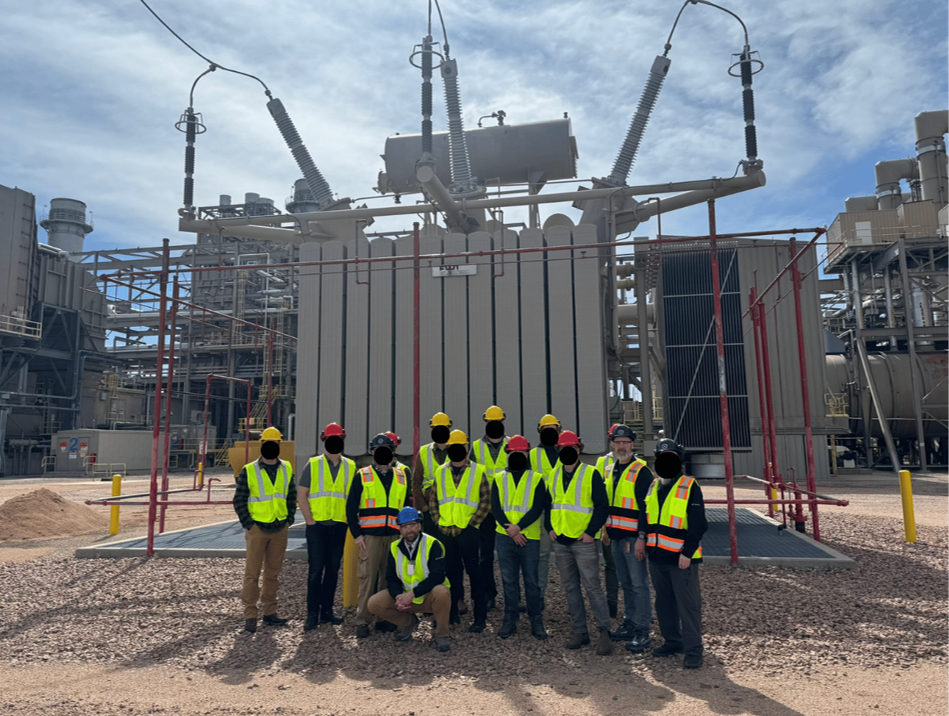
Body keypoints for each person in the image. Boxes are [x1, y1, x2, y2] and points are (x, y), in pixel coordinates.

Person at [636, 438, 708, 669]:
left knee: (688, 605)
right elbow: (645, 517)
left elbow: (698, 524)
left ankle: (694, 649)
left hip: (681, 560)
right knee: (664, 603)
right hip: (657, 557)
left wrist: (687, 553)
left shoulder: (690, 486)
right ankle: (673, 641)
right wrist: (641, 538)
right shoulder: (654, 486)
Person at [546, 430, 613, 655]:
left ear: (578, 450)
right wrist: (550, 528)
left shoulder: (590, 473)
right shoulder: (554, 475)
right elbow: (550, 504)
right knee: (570, 588)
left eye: (572, 449)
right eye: (564, 449)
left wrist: (590, 532)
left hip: (583, 540)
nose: (568, 452)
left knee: (592, 587)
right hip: (562, 540)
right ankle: (580, 631)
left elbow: (602, 506)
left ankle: (604, 631)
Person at [233, 426, 296, 633]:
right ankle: (250, 614)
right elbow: (239, 500)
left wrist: (289, 519)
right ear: (262, 445)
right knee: (252, 574)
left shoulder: (286, 468)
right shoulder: (249, 470)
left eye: (274, 443)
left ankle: (270, 612)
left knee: (273, 573)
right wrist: (249, 524)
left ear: (279, 445)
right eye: (268, 443)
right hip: (258, 528)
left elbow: (291, 496)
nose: (271, 446)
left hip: (279, 528)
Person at [346, 432, 410, 638]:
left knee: (388, 579)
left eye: (387, 451)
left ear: (392, 453)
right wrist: (357, 535)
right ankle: (363, 620)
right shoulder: (362, 475)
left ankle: (384, 618)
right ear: (373, 453)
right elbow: (351, 508)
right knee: (367, 579)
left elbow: (406, 507)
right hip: (370, 537)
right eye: (378, 450)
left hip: (393, 536)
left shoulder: (402, 475)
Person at [430, 429, 491, 632]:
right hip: (446, 532)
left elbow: (485, 501)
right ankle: (453, 613)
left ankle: (480, 618)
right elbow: (433, 500)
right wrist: (438, 522)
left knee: (475, 574)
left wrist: (473, 524)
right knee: (450, 574)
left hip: (468, 531)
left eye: (460, 446)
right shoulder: (441, 471)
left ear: (466, 448)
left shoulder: (477, 471)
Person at [368, 506, 452, 653]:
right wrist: (398, 597)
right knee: (374, 604)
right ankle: (409, 623)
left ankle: (441, 634)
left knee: (442, 592)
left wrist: (412, 595)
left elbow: (437, 576)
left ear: (419, 526)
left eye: (412, 525)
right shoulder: (394, 547)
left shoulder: (433, 544)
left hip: (428, 597)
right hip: (406, 596)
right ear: (400, 529)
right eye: (405, 526)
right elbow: (391, 577)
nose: (409, 530)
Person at [298, 422, 356, 631]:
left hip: (339, 526)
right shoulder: (313, 464)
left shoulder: (350, 466)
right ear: (324, 440)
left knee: (332, 570)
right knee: (315, 571)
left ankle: (327, 611)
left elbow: (353, 497)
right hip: (318, 527)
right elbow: (302, 494)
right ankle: (312, 614)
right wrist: (310, 521)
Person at [602, 424, 653, 651]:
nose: (621, 446)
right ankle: (630, 623)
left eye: (626, 442)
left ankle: (642, 630)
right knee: (627, 584)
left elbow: (646, 509)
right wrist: (605, 530)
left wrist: (642, 536)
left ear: (633, 445)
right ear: (612, 444)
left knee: (639, 584)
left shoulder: (641, 471)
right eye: (618, 442)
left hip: (633, 538)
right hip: (616, 536)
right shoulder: (611, 469)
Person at [491, 434, 548, 640]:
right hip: (505, 537)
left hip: (528, 537)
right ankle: (510, 619)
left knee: (532, 582)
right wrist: (511, 530)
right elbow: (496, 508)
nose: (517, 455)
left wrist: (518, 528)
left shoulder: (537, 478)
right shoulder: (499, 478)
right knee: (509, 581)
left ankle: (536, 620)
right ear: (508, 454)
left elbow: (537, 507)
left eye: (522, 452)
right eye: (514, 452)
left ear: (527, 453)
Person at [470, 405, 508, 611]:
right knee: (485, 554)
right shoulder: (475, 448)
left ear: (502, 423)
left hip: (508, 509)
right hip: (484, 510)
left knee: (510, 555)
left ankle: (514, 597)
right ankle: (488, 593)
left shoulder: (512, 445)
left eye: (497, 421)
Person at [530, 413, 562, 609]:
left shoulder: (566, 452)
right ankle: (538, 597)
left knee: (570, 557)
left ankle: (574, 602)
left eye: (553, 429)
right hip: (541, 513)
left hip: (565, 514)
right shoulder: (532, 455)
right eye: (546, 430)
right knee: (541, 556)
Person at [412, 412, 452, 538]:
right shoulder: (424, 452)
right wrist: (423, 507)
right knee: (432, 545)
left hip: (451, 508)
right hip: (429, 508)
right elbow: (416, 482)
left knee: (450, 547)